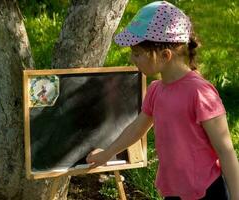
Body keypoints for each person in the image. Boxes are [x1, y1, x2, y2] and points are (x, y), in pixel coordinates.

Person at [86, 1, 239, 200]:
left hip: (207, 192)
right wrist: (107, 154)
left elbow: (225, 150)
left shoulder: (200, 93)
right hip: (173, 191)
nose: (133, 59)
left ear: (165, 55)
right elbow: (136, 129)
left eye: (137, 53)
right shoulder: (156, 90)